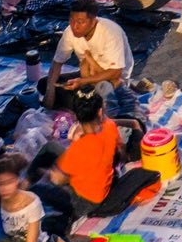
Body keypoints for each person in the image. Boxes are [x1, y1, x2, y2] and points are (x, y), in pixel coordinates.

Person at [47, 91, 160, 220]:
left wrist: (50, 172)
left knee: (43, 183)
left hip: (86, 203)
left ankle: (29, 183)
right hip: (105, 188)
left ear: (76, 116)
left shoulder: (76, 149)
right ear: (100, 112)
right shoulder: (109, 126)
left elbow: (58, 180)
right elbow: (121, 152)